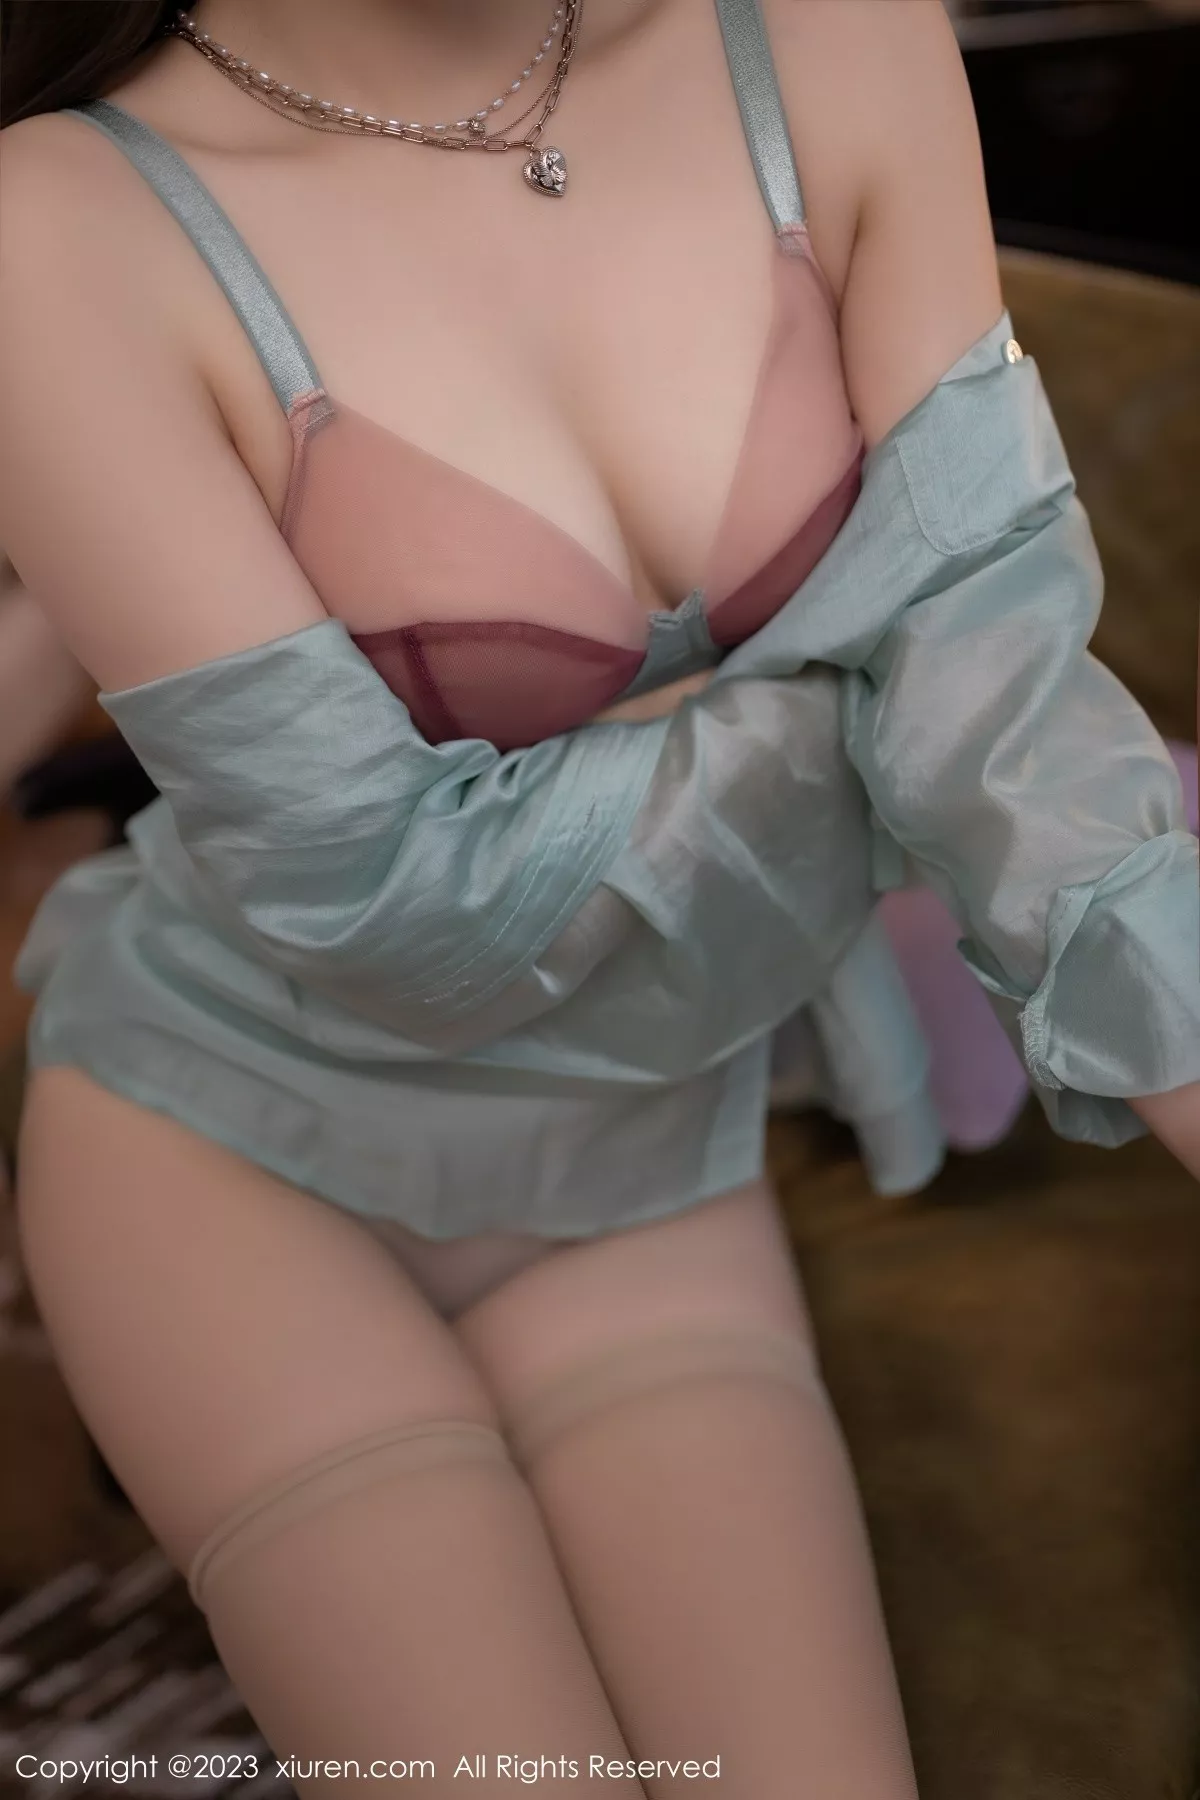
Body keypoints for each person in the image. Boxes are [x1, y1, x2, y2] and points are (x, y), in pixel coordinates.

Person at [1, 1, 1196, 1793]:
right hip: (238, 1167)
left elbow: (994, 690)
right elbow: (395, 903)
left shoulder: (829, 39)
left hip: (644, 1150)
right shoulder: (58, 228)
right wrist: (876, 703)